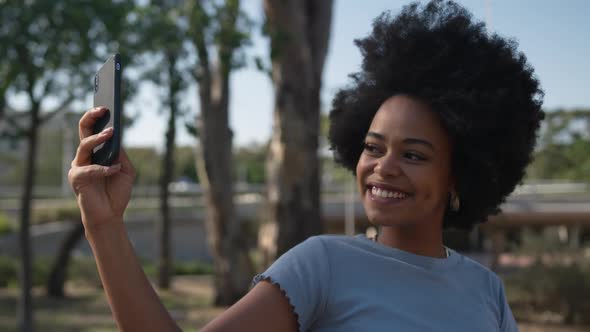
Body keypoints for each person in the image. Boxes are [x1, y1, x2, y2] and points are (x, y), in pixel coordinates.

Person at [68, 0, 544, 331]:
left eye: (414, 155)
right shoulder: (323, 265)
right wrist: (104, 224)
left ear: (461, 174)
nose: (384, 168)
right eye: (373, 147)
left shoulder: (486, 291)